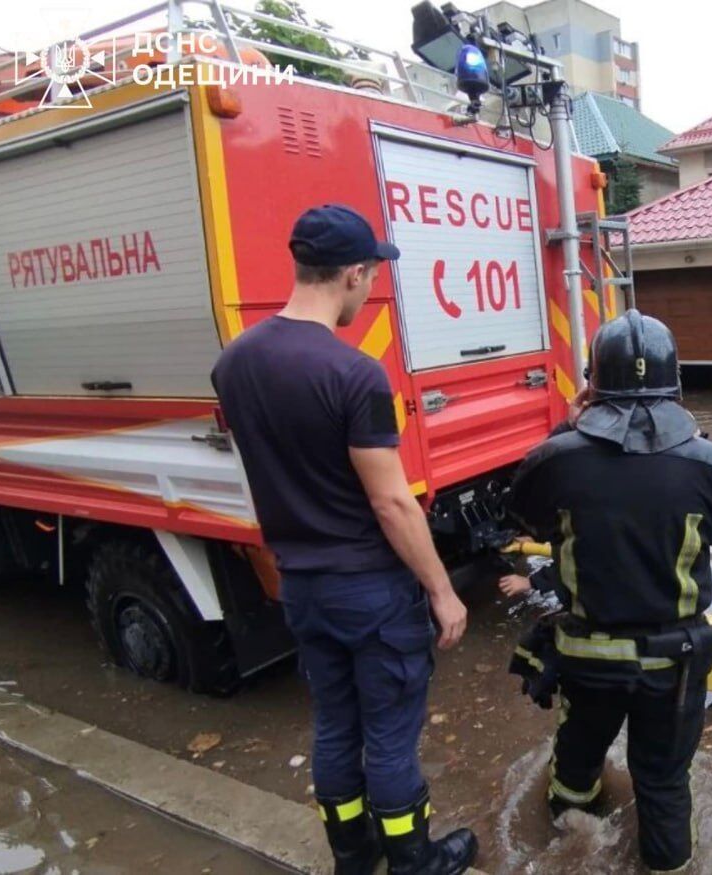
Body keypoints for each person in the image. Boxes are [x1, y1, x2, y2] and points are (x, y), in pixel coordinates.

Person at [211, 204, 477, 875]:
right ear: (354, 274)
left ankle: (353, 858)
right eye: (371, 275)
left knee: (334, 725)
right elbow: (391, 500)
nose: (370, 287)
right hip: (369, 588)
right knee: (389, 737)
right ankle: (414, 862)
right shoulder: (354, 373)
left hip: (302, 584)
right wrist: (442, 591)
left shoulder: (234, 363)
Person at [505, 310, 712, 873]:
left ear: (592, 386)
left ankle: (565, 847)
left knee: (575, 765)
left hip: (587, 660)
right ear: (676, 386)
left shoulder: (557, 460)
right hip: (674, 667)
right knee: (665, 781)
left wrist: (566, 430)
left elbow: (527, 516)